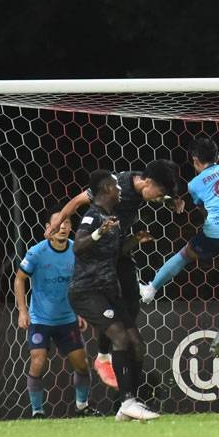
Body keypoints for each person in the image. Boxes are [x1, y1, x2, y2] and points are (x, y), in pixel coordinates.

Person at [47, 159, 181, 389]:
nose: (159, 197)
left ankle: (130, 386)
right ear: (147, 182)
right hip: (100, 249)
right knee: (110, 301)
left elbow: (160, 193)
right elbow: (77, 202)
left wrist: (169, 201)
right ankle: (103, 356)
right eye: (160, 192)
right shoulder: (117, 184)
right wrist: (55, 224)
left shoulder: (145, 180)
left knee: (130, 302)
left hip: (119, 247)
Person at [141, 137, 219, 357]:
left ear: (195, 160)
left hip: (214, 234)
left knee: (185, 255)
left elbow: (203, 209)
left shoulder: (194, 184)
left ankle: (151, 289)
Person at [66, 170, 159, 421]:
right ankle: (128, 401)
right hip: (87, 292)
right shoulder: (92, 216)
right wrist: (99, 232)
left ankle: (127, 404)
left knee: (136, 344)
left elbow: (116, 252)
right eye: (117, 186)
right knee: (119, 337)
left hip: (108, 291)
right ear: (107, 188)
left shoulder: (112, 218)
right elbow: (79, 245)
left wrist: (134, 241)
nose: (121, 190)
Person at [14, 211, 101, 418]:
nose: (62, 228)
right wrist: (22, 311)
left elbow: (80, 283)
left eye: (67, 223)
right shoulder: (36, 252)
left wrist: (80, 311)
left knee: (82, 364)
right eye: (58, 224)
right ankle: (37, 411)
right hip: (40, 319)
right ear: (48, 228)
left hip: (67, 319)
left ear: (71, 228)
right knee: (38, 360)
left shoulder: (76, 250)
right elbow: (19, 279)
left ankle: (82, 406)